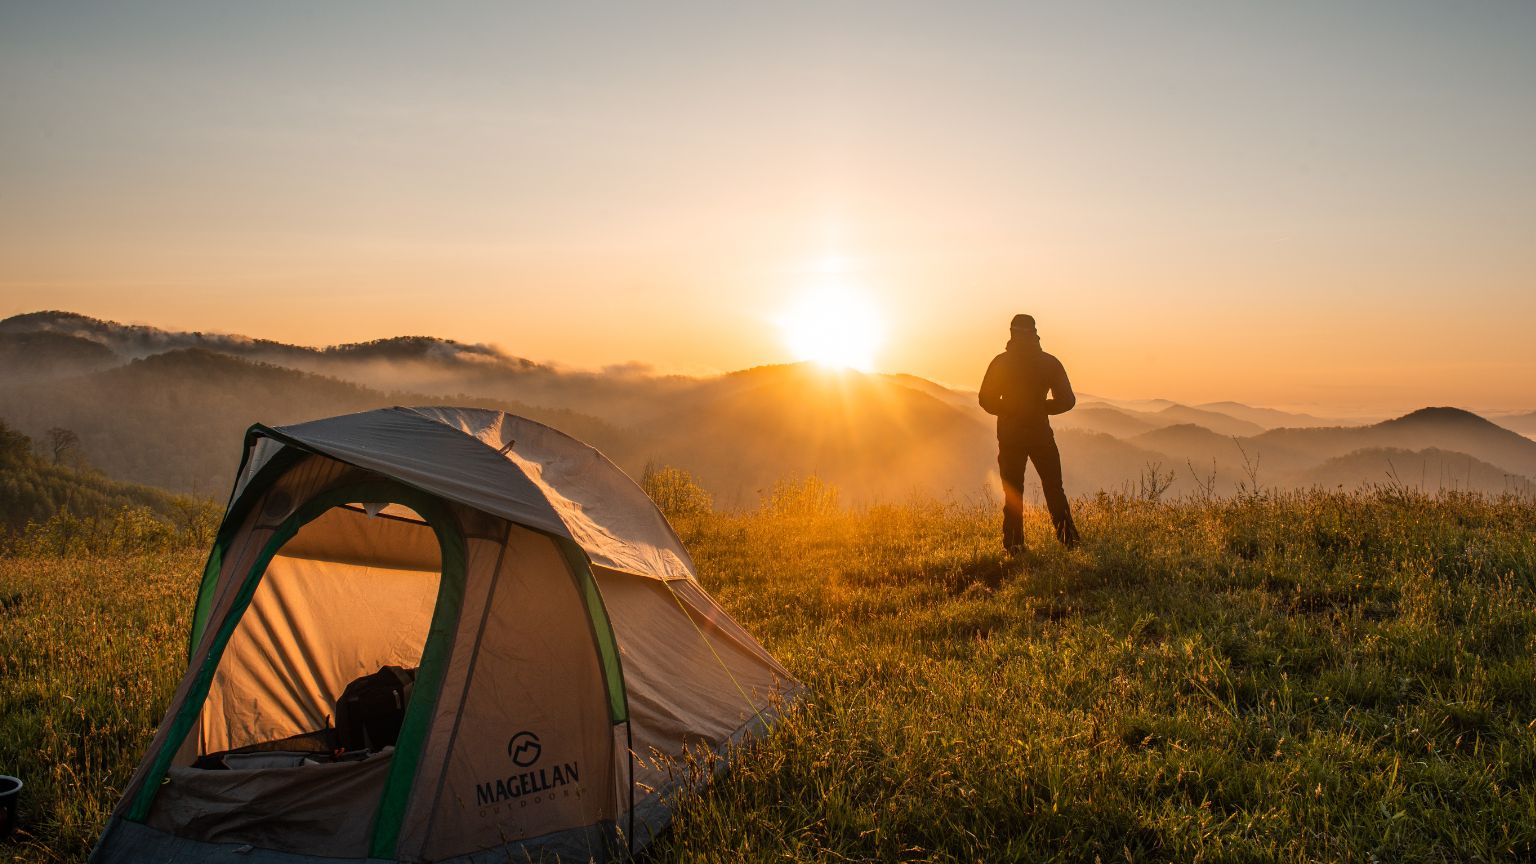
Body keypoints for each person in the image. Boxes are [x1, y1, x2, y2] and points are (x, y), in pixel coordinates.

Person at [978, 313, 1080, 552]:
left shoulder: (1000, 362)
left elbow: (985, 399)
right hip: (1041, 435)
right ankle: (1070, 541)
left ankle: (1014, 545)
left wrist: (1009, 409)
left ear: (1012, 332)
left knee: (1013, 491)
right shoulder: (1049, 362)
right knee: (1054, 488)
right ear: (1034, 332)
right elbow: (1068, 400)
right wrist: (1041, 407)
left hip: (1010, 436)